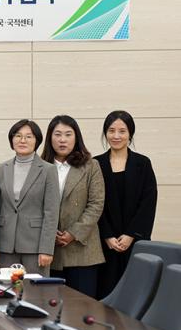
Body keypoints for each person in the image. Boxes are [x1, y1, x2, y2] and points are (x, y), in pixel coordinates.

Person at [95, 110, 157, 299]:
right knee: (105, 295)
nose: (116, 136)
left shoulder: (142, 163)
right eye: (111, 130)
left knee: (135, 296)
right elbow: (93, 203)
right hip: (105, 244)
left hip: (134, 241)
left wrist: (131, 234)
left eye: (122, 131)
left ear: (130, 133)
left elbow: (148, 202)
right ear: (105, 133)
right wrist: (107, 235)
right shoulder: (95, 164)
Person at [42, 115, 105, 298]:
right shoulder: (41, 166)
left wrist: (73, 233)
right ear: (50, 138)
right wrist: (49, 232)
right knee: (50, 305)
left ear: (76, 137)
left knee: (82, 307)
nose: (62, 140)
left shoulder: (91, 166)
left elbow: (96, 204)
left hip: (82, 251)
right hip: (49, 250)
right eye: (57, 134)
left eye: (68, 134)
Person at [0, 120, 59, 276]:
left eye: (29, 136)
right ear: (12, 140)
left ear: (37, 141)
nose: (22, 140)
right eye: (18, 136)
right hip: (5, 245)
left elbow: (51, 213)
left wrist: (47, 250)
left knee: (35, 289)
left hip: (35, 247)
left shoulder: (48, 170)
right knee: (4, 288)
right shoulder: (2, 168)